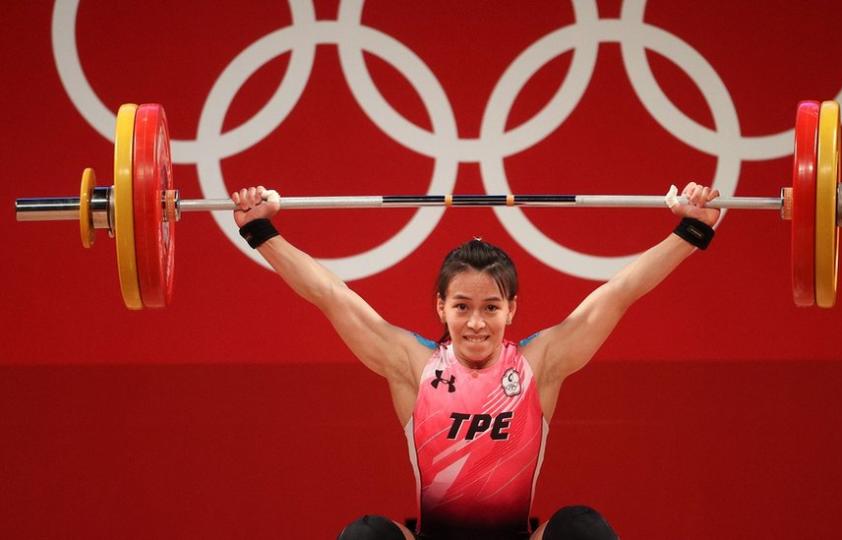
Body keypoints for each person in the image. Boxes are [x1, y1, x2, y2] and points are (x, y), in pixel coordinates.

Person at [231, 182, 720, 540]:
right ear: (441, 307)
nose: (476, 323)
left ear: (512, 309)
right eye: (462, 307)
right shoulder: (413, 366)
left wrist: (692, 228)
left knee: (582, 529)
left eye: (491, 308)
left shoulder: (539, 365)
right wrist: (260, 229)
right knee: (364, 536)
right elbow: (329, 294)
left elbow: (620, 293)